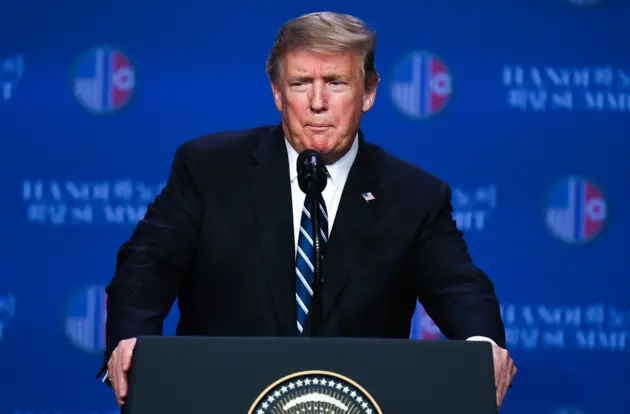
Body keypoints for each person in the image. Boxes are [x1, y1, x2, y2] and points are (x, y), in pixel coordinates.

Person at [98, 10, 517, 410]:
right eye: (301, 83)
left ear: (369, 92)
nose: (318, 102)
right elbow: (146, 265)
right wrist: (132, 341)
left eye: (336, 82)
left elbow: (461, 288)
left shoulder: (414, 195)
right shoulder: (209, 169)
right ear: (278, 93)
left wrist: (483, 349)